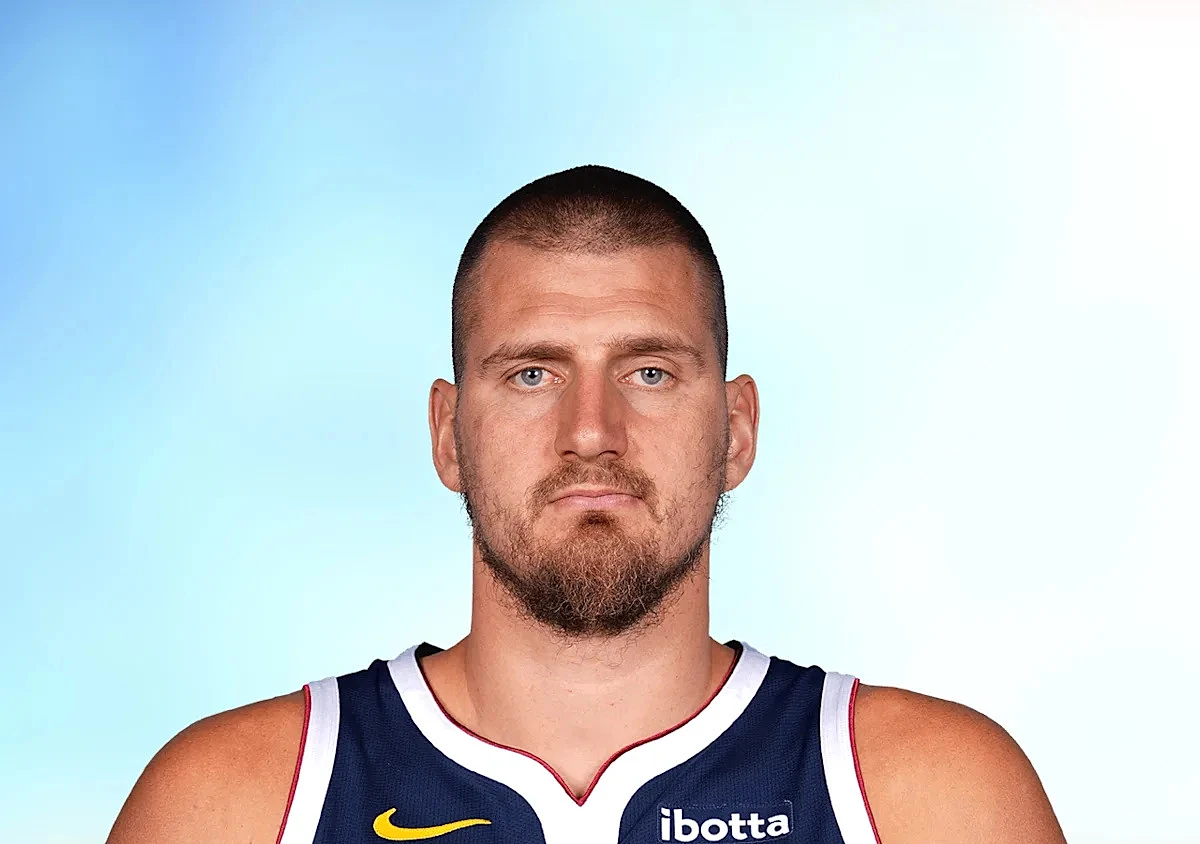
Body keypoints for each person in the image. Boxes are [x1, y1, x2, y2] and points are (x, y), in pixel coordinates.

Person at [107, 165, 1066, 844]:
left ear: (736, 430)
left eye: (650, 371)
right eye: (533, 374)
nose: (592, 431)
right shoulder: (236, 807)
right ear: (448, 434)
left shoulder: (926, 801)